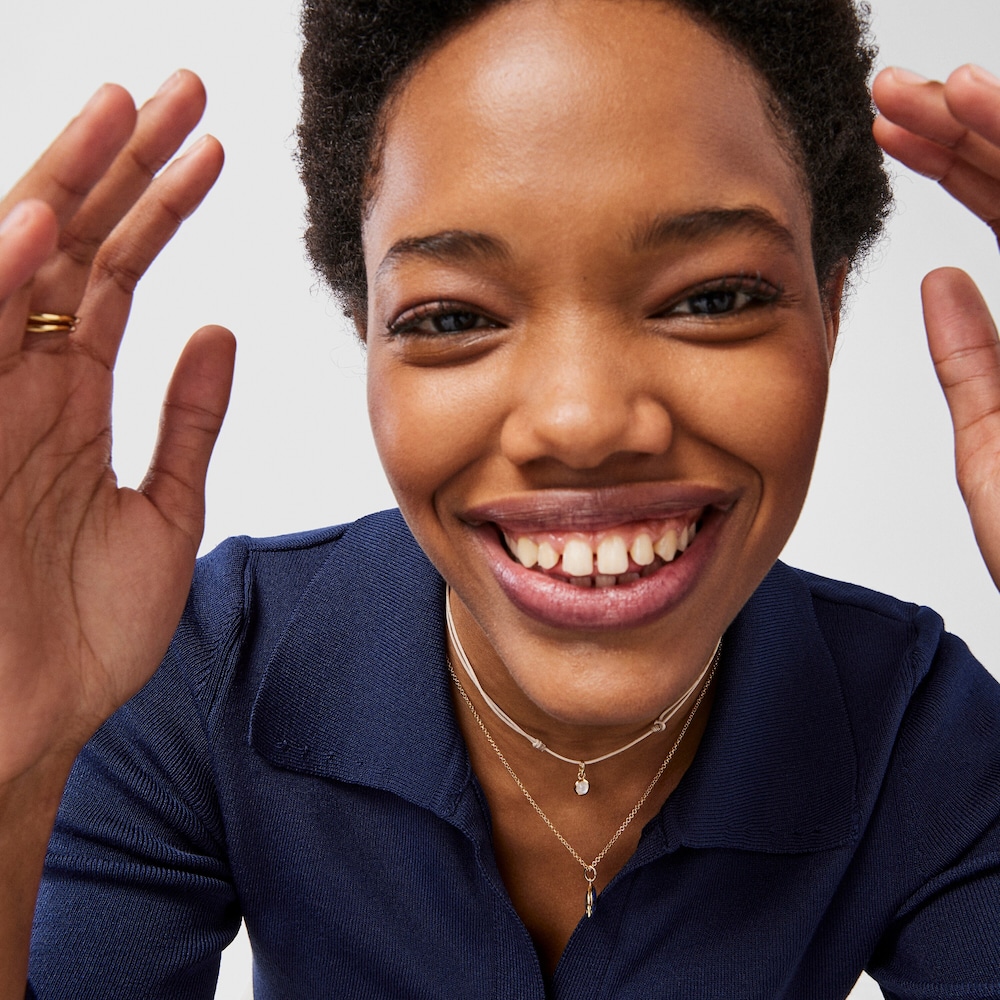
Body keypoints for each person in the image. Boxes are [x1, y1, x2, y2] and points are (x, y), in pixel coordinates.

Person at [1, 0, 998, 997]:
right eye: (450, 315)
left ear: (829, 309)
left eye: (712, 297)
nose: (581, 421)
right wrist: (15, 785)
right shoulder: (197, 669)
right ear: (368, 335)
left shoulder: (921, 730)